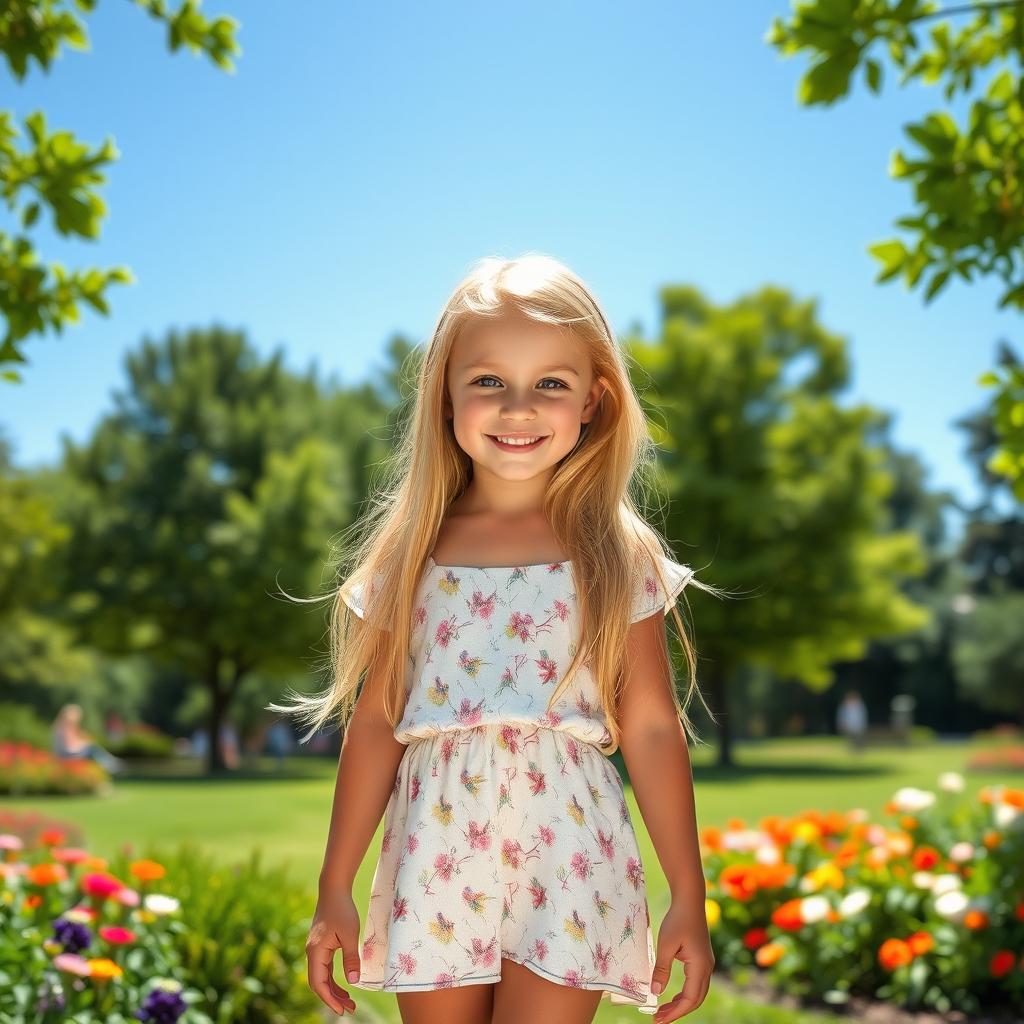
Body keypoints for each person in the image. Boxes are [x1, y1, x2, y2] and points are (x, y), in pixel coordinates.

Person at [268, 254, 728, 1024]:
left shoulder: (618, 551)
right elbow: (377, 724)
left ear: (594, 401)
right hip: (437, 848)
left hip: (570, 848)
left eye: (551, 382)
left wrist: (690, 895)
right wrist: (333, 888)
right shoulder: (409, 554)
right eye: (488, 381)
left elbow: (650, 724)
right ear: (444, 393)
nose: (519, 407)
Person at [52, 704, 126, 775]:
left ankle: (110, 763)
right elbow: (70, 747)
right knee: (91, 748)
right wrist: (85, 744)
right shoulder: (65, 729)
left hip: (65, 754)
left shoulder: (60, 728)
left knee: (92, 748)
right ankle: (111, 764)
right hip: (66, 756)